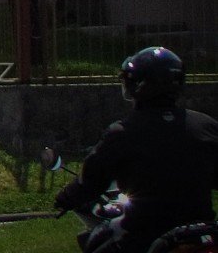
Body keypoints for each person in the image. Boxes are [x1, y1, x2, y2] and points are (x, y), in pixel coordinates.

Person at [55, 47, 218, 253]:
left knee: (99, 244)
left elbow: (92, 180)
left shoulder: (122, 132)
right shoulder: (207, 125)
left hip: (144, 234)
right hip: (200, 233)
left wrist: (66, 197)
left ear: (137, 84)